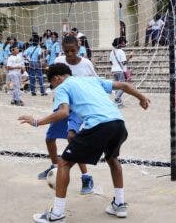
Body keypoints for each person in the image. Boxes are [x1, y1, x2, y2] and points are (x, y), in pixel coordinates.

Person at [19, 63, 150, 222]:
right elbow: (124, 85)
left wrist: (36, 122)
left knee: (64, 163)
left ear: (57, 78)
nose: (54, 89)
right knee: (112, 158)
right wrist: (141, 97)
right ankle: (119, 203)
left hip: (98, 125)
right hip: (118, 123)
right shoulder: (91, 80)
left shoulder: (63, 87)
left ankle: (56, 215)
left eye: (52, 85)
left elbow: (63, 112)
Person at [37, 36, 97, 195]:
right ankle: (55, 168)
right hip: (61, 106)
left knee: (73, 142)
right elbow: (53, 79)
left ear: (79, 48)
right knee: (49, 138)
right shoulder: (59, 60)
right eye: (67, 51)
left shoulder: (86, 64)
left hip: (76, 109)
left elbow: (94, 83)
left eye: (73, 51)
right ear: (62, 50)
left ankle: (86, 177)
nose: (70, 54)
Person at [110, 37, 133, 107]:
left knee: (117, 86)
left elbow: (110, 62)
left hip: (114, 70)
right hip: (120, 71)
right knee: (123, 86)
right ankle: (117, 99)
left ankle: (119, 102)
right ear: (120, 43)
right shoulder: (121, 52)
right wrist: (130, 57)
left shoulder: (112, 52)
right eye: (123, 42)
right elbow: (124, 63)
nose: (124, 43)